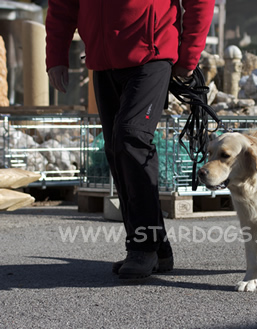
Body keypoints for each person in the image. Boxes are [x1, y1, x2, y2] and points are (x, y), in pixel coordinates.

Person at [45, 0, 215, 280]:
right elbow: (63, 4)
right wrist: (56, 56)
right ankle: (157, 247)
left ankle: (142, 247)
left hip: (151, 54)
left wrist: (189, 55)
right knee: (115, 149)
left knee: (131, 138)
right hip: (103, 61)